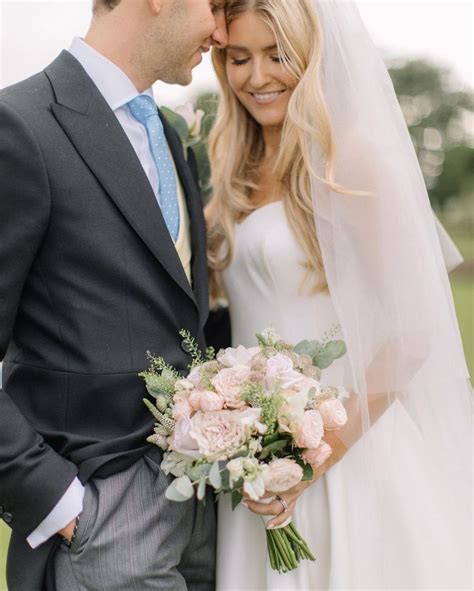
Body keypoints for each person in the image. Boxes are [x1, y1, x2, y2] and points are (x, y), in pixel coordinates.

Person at [206, 0, 472, 589]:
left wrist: (315, 455)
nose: (256, 77)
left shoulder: (350, 159)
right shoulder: (236, 163)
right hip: (257, 459)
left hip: (346, 452)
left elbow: (413, 332)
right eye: (238, 58)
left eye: (278, 56)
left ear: (311, 55)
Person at [0, 0, 227, 589]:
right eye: (217, 6)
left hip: (204, 503)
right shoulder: (20, 124)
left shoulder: (172, 137)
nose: (222, 32)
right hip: (102, 517)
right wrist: (53, 501)